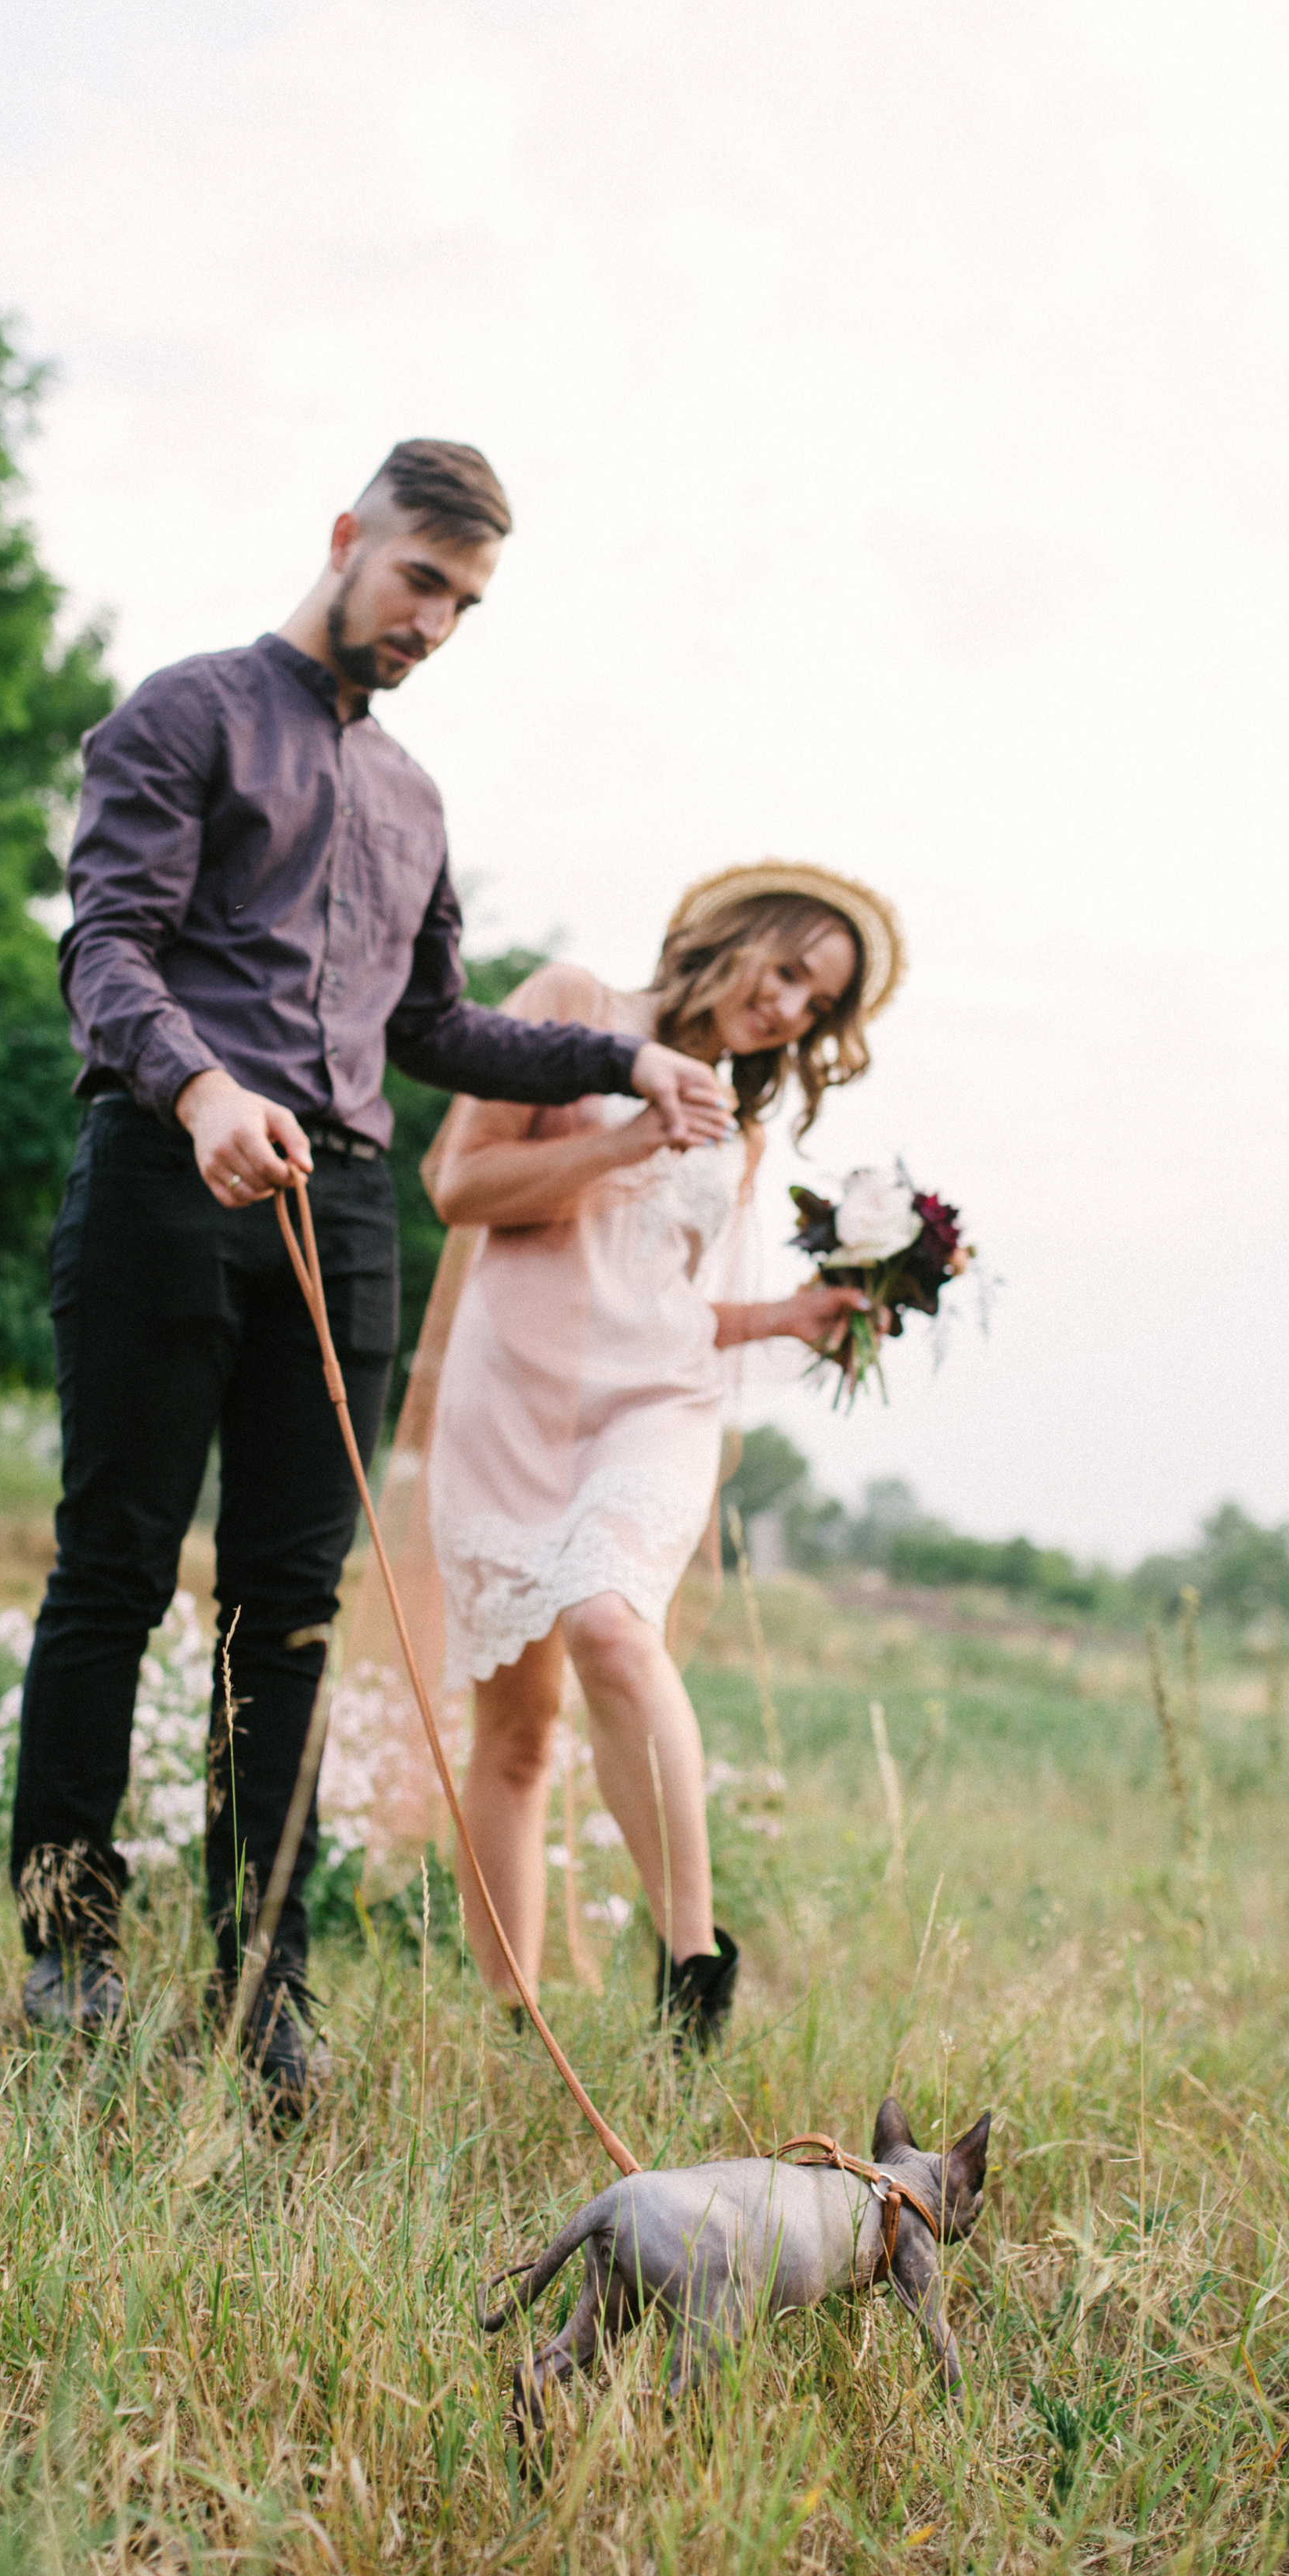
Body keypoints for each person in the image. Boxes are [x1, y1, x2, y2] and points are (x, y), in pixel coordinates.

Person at [7, 440, 733, 2104]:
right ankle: (70, 1946)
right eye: (419, 578)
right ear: (346, 540)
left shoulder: (413, 798)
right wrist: (196, 1088)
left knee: (287, 1609)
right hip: (163, 1169)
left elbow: (434, 1032)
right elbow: (102, 946)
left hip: (337, 1218)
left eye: (464, 604)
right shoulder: (182, 713)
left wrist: (623, 1067)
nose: (433, 620)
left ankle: (263, 1985)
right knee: (113, 1565)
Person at [407, 863, 904, 2045]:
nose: (790, 1010)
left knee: (610, 1623)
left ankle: (693, 1965)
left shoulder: (735, 1130)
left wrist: (786, 1315)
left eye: (817, 1004)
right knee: (518, 1735)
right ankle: (513, 2022)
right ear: (726, 940)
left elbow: (666, 1303)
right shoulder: (576, 1004)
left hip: (655, 1406)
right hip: (511, 1407)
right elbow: (456, 1185)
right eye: (787, 972)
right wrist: (629, 1134)